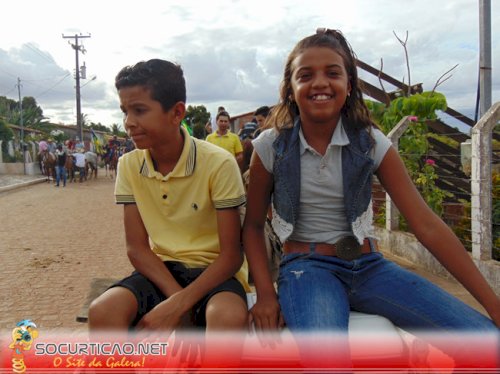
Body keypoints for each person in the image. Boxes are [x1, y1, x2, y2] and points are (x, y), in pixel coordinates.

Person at [242, 28, 499, 366]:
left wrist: (494, 306)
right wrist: (264, 293)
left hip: (370, 267)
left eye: (333, 73)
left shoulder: (371, 143)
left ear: (349, 86)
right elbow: (252, 226)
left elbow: (427, 225)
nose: (320, 82)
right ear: (290, 89)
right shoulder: (270, 147)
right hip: (307, 270)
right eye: (305, 75)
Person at [88, 59, 249, 339]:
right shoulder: (128, 165)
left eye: (139, 110)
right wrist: (176, 299)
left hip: (216, 274)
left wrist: (183, 302)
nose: (128, 123)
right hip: (162, 270)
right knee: (103, 311)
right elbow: (137, 248)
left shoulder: (219, 164)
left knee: (228, 318)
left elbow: (231, 256)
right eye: (125, 111)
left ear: (176, 113)